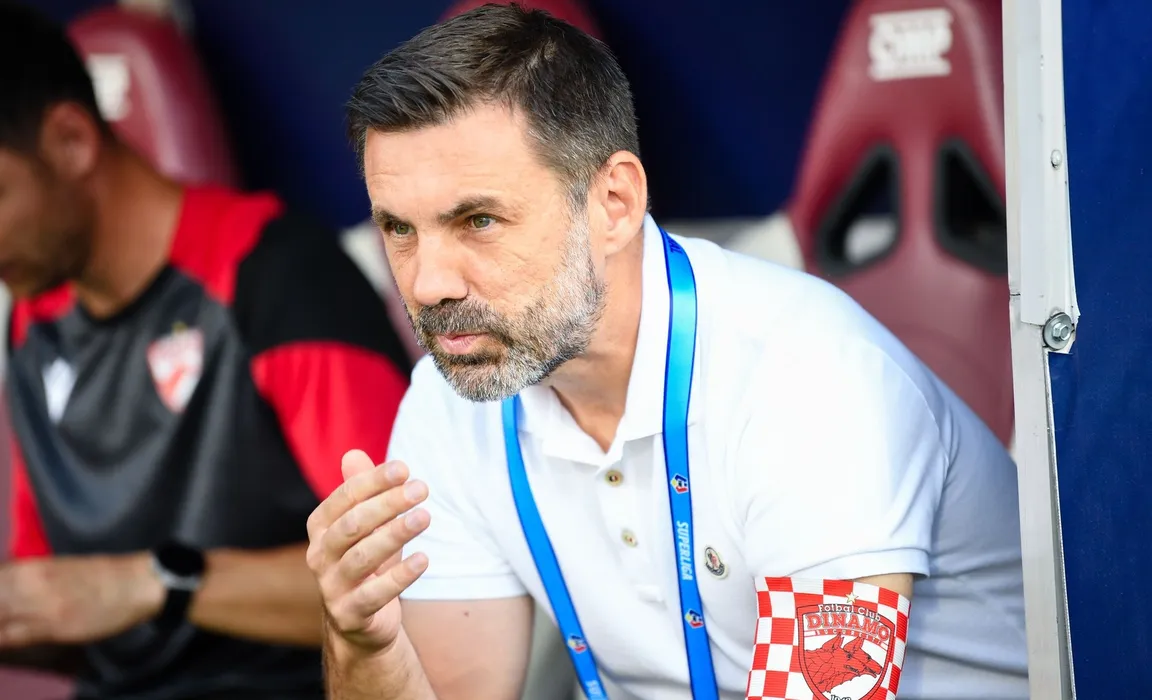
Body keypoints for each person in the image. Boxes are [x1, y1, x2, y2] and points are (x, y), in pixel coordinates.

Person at [307, 4, 1029, 700]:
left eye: (479, 220)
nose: (428, 285)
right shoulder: (451, 396)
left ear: (615, 204)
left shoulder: (811, 378)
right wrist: (363, 642)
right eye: (398, 229)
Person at [0, 4, 412, 699]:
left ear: (71, 140)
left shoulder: (277, 277)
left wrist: (157, 582)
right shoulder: (32, 325)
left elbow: (408, 571)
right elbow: (61, 604)